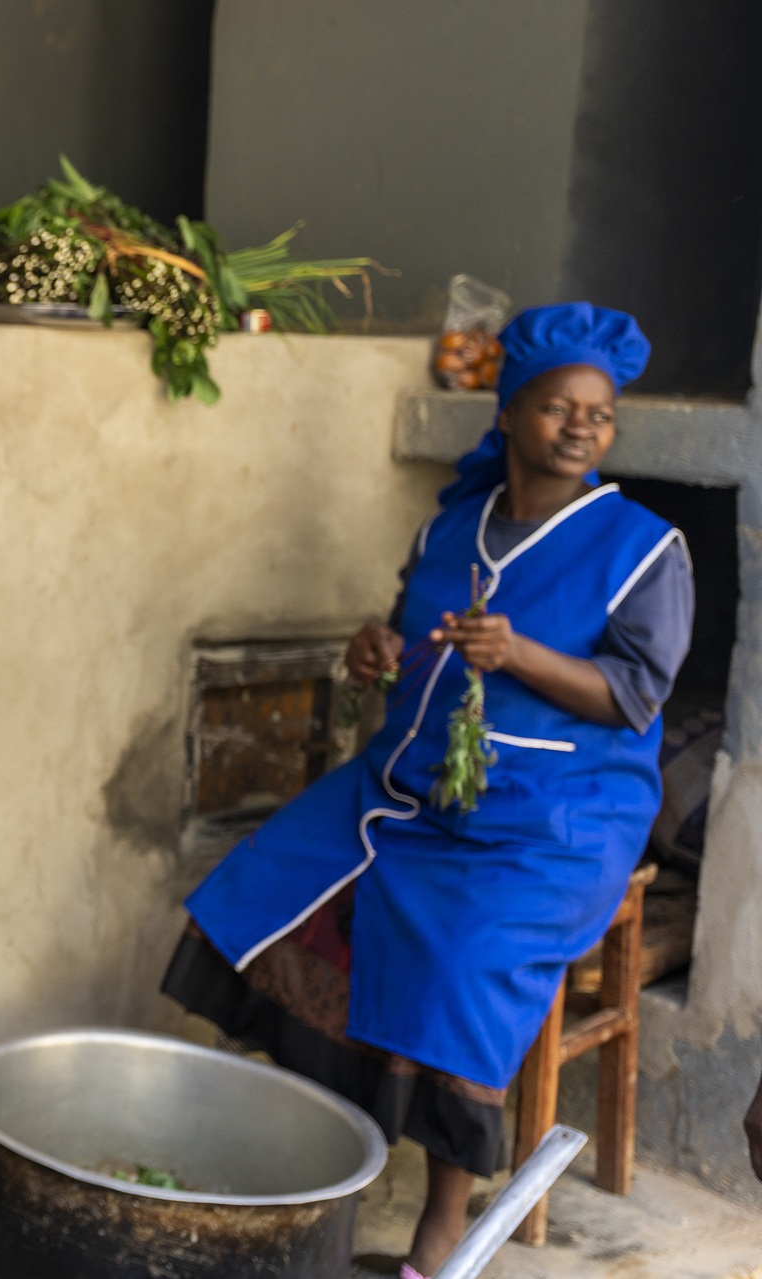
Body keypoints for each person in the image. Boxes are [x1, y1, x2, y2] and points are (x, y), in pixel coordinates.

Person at [162, 302, 693, 1279]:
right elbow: (412, 642)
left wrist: (522, 655)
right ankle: (317, 1160)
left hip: (553, 822)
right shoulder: (454, 529)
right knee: (272, 886)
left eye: (600, 412)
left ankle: (439, 1237)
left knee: (461, 959)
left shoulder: (642, 549)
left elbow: (632, 696)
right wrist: (379, 650)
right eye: (557, 407)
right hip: (408, 790)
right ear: (507, 414)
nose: (581, 426)